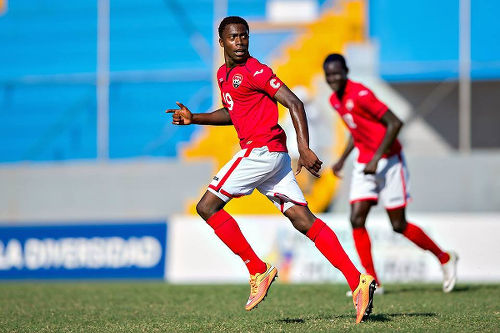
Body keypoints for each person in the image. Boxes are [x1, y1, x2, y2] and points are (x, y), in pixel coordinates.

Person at [167, 17, 375, 323]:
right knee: (303, 220)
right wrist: (195, 118)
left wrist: (303, 148)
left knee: (207, 206)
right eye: (234, 37)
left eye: (244, 36)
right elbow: (233, 112)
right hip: (271, 157)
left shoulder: (256, 70)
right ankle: (358, 281)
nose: (240, 42)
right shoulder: (224, 75)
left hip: (261, 151)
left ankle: (257, 269)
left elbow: (294, 103)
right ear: (221, 41)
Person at [323, 53, 458, 295]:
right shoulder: (335, 100)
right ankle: (373, 281)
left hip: (389, 162)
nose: (333, 78)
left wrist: (377, 158)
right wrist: (342, 160)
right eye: (328, 74)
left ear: (346, 72)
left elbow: (395, 123)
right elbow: (356, 130)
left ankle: (445, 258)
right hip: (365, 163)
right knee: (356, 219)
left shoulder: (361, 94)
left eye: (336, 73)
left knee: (398, 225)